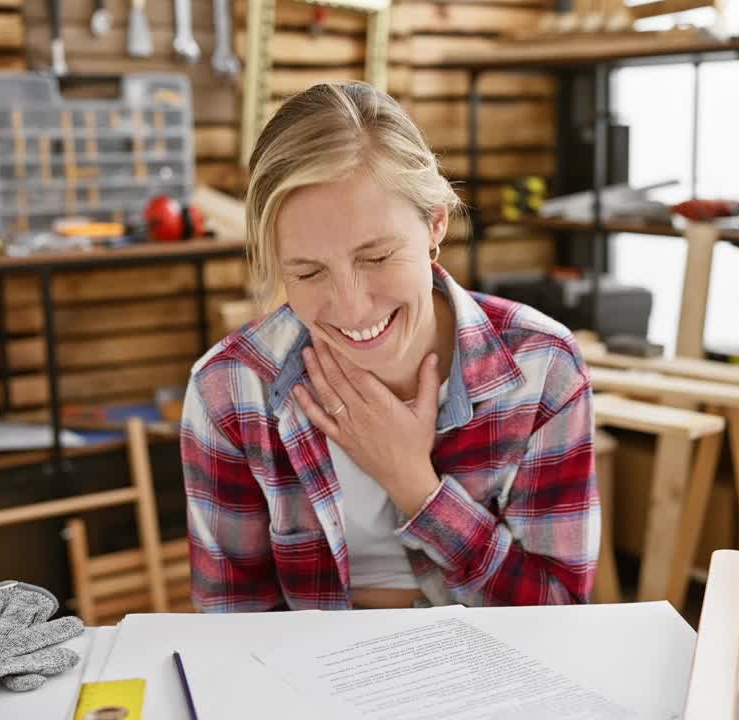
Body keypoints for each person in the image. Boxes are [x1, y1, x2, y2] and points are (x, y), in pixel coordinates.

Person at [180, 81, 599, 612]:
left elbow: (558, 615)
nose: (352, 307)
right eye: (308, 272)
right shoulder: (230, 392)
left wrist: (415, 486)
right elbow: (233, 626)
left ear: (434, 224)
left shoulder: (543, 369)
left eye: (376, 258)